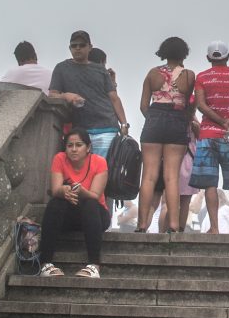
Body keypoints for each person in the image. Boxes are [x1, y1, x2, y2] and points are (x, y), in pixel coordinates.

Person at [136, 38, 195, 235]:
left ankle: (142, 224)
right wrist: (182, 119)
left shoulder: (152, 74)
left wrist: (153, 118)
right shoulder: (188, 75)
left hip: (154, 119)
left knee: (149, 176)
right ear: (183, 53)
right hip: (177, 121)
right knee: (171, 177)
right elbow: (190, 104)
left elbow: (144, 105)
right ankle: (173, 225)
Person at [37, 127, 111, 279]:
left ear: (88, 147)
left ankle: (94, 265)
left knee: (90, 203)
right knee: (56, 203)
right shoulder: (59, 158)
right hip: (70, 215)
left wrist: (81, 191)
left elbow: (95, 195)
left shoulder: (99, 162)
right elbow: (55, 188)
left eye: (79, 145)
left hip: (96, 215)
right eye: (70, 145)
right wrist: (63, 191)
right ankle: (45, 263)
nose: (74, 149)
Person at [48, 32, 129, 160]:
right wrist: (67, 96)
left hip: (107, 127)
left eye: (82, 45)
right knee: (82, 172)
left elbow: (114, 98)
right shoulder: (61, 68)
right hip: (81, 130)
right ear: (70, 48)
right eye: (74, 46)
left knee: (103, 171)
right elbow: (52, 95)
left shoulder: (100, 70)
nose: (78, 48)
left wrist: (124, 124)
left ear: (89, 47)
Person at [192, 41, 229, 237]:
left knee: (210, 184)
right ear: (228, 57)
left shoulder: (202, 77)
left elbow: (201, 106)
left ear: (208, 58)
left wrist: (221, 122)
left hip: (208, 135)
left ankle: (214, 227)